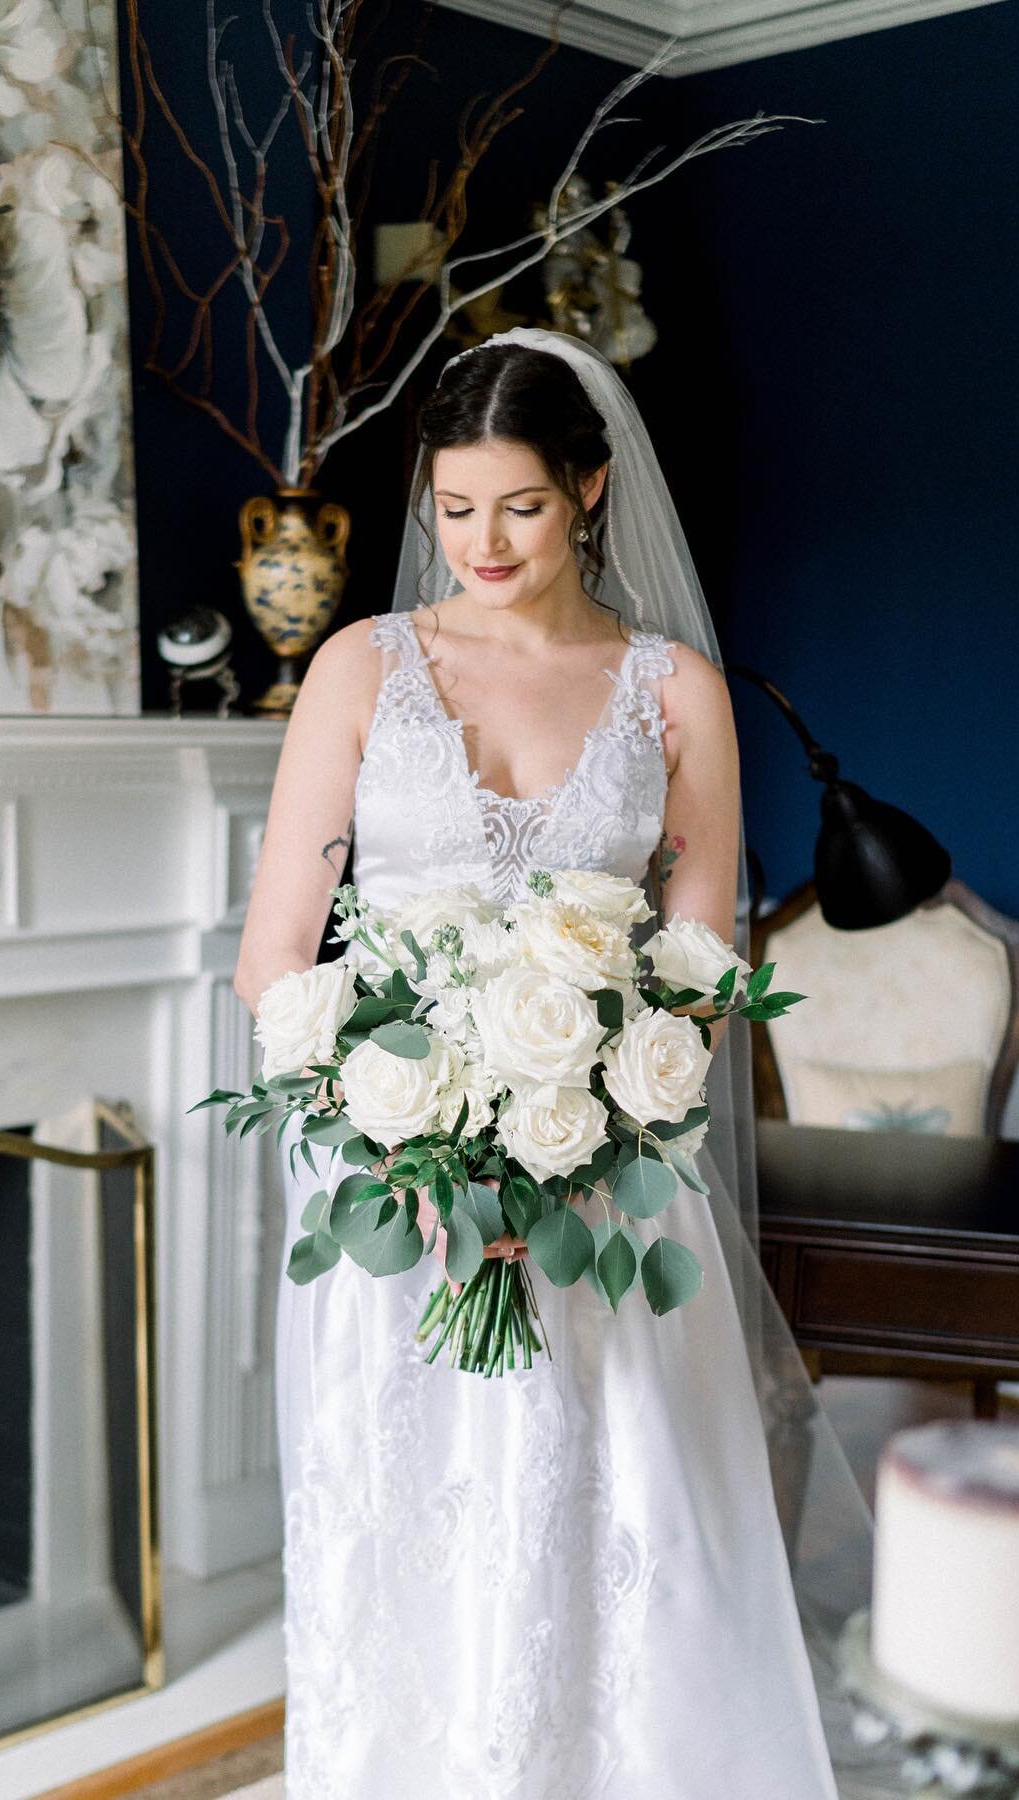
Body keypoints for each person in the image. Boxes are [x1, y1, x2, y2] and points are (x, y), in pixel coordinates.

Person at [233, 328, 904, 1798]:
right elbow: (278, 951)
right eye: (455, 507)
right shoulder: (363, 666)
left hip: (606, 1194)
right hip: (391, 1193)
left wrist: (597, 1112)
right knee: (410, 1528)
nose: (480, 541)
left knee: (610, 1527)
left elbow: (705, 950)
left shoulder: (675, 689)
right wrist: (393, 1146)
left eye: (520, 507)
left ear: (590, 489)